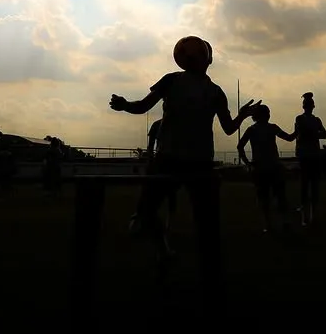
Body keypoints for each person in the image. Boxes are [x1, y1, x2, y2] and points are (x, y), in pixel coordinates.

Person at [109, 35, 259, 294]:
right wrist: (125, 106)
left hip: (194, 162)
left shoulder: (214, 92)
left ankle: (201, 271)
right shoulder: (175, 82)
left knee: (203, 222)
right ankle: (169, 253)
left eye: (195, 54)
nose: (192, 59)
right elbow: (143, 106)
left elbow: (227, 127)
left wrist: (243, 115)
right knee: (149, 214)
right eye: (190, 55)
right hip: (172, 160)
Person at [238, 104, 296, 232]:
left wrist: (247, 163)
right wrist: (298, 130)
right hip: (269, 166)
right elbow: (290, 138)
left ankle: (271, 224)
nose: (269, 115)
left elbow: (240, 146)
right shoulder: (269, 128)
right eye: (267, 113)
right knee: (276, 196)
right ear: (261, 115)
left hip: (264, 167)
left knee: (267, 197)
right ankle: (279, 222)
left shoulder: (253, 129)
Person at [130, 119, 178, 253]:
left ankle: (161, 228)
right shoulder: (160, 125)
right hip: (162, 165)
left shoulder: (164, 124)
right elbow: (151, 148)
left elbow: (151, 148)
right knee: (151, 199)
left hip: (168, 165)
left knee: (165, 198)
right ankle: (141, 223)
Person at [294, 92, 326, 226]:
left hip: (313, 155)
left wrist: (312, 134)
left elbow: (324, 134)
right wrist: (313, 134)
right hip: (305, 155)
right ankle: (305, 216)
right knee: (305, 186)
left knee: (312, 186)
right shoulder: (300, 119)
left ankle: (311, 215)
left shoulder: (316, 120)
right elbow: (301, 133)